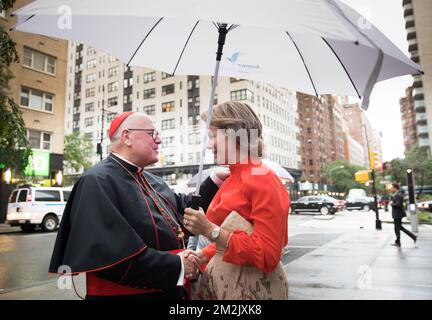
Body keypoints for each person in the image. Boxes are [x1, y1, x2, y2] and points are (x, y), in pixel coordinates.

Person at [49, 112, 228, 300]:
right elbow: (113, 258)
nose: (159, 140)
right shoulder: (97, 181)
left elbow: (184, 211)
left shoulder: (151, 180)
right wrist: (178, 265)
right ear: (127, 137)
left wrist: (214, 181)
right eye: (152, 133)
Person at [183, 101, 290, 300]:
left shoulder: (262, 178)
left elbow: (268, 255)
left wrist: (209, 230)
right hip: (225, 288)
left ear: (234, 133)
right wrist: (203, 255)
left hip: (249, 292)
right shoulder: (232, 177)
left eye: (213, 136)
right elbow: (232, 237)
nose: (209, 144)